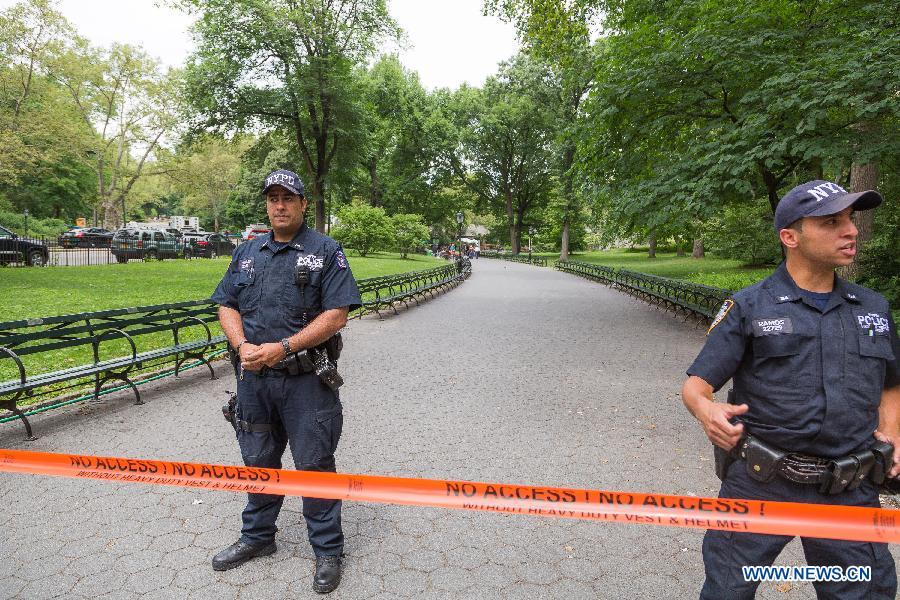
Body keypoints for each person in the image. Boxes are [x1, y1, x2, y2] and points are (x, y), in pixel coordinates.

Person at [681, 180, 899, 600]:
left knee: (860, 593)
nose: (851, 230)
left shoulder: (873, 309)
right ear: (790, 237)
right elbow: (696, 385)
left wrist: (892, 433)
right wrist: (706, 411)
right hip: (760, 483)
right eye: (831, 222)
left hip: (848, 488)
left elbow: (892, 381)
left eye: (850, 219)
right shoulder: (749, 306)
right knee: (728, 590)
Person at [211, 169, 361, 594]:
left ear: (302, 204)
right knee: (258, 461)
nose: (280, 205)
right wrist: (242, 345)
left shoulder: (325, 250)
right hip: (254, 381)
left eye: (288, 198)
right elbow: (226, 303)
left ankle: (328, 551)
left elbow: (337, 314)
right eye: (273, 198)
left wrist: (284, 347)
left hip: (305, 381)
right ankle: (258, 538)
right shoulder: (247, 252)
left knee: (314, 464)